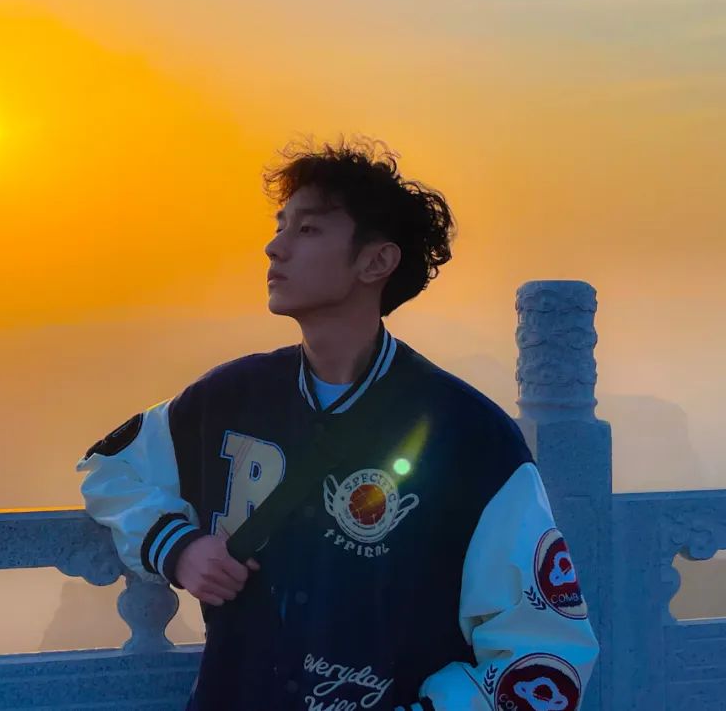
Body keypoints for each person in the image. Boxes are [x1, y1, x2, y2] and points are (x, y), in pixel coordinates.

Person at [75, 135, 599, 710]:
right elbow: (110, 469)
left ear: (376, 261)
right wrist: (178, 547)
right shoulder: (228, 398)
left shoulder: (471, 437)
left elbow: (546, 653)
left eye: (307, 230)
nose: (274, 248)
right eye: (280, 226)